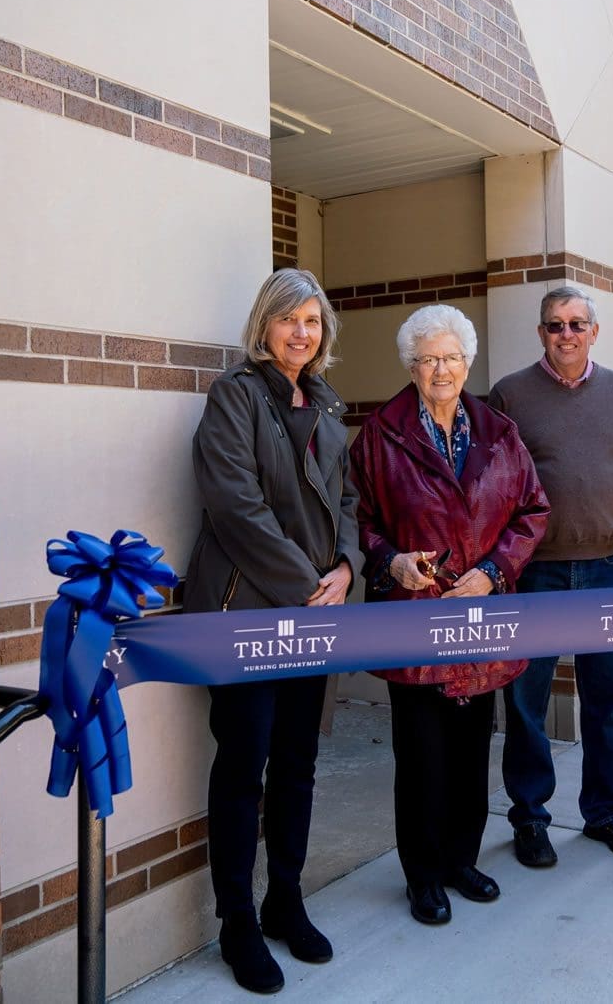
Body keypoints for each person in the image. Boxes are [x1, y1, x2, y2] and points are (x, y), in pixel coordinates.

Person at [182, 268, 360, 993]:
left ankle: (283, 897)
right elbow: (234, 505)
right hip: (247, 612)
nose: (300, 332)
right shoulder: (234, 395)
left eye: (312, 321)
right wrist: (306, 585)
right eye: (289, 319)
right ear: (264, 325)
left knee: (296, 763)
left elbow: (346, 498)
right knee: (243, 764)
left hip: (315, 607)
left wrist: (346, 566)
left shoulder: (325, 402)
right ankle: (235, 921)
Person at [349, 304, 550, 926]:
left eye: (452, 357)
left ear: (469, 362)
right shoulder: (380, 435)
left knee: (470, 751)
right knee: (421, 757)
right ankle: (425, 875)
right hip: (415, 619)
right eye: (429, 358)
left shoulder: (498, 430)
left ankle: (463, 859)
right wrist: (391, 562)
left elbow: (532, 511)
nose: (442, 369)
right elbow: (360, 520)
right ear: (411, 366)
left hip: (483, 617)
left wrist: (493, 571)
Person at [489, 286, 613, 868]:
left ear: (594, 331)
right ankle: (531, 818)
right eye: (554, 326)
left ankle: (605, 813)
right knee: (527, 699)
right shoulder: (510, 393)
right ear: (541, 334)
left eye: (577, 324)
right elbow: (495, 485)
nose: (566, 335)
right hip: (535, 571)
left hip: (605, 565)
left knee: (605, 697)